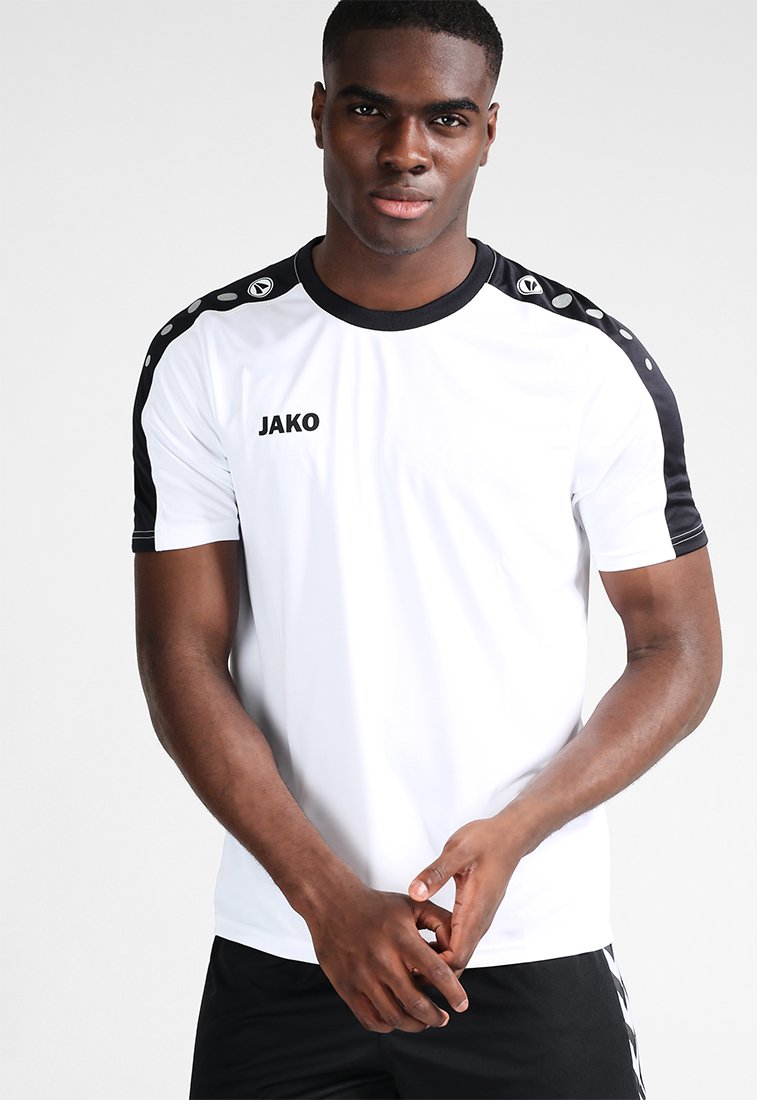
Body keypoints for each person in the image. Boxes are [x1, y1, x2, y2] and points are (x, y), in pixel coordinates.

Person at [132, 2, 722, 1097]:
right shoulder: (213, 358)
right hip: (286, 950)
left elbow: (679, 648)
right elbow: (181, 656)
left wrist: (514, 835)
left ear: (488, 131)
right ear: (320, 114)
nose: (407, 150)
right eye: (370, 110)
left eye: (446, 118)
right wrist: (323, 899)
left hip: (526, 952)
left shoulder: (582, 364)